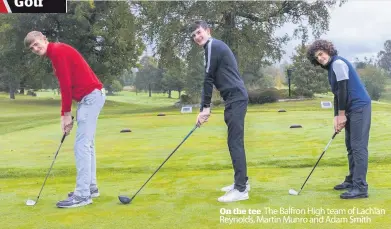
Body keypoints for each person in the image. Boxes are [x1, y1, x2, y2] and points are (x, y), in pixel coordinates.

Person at [24, 31, 106, 208]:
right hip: (90, 97)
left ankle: (83, 195)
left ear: (44, 39)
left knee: (81, 145)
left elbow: (65, 86)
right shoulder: (56, 52)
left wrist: (66, 114)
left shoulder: (58, 52)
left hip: (90, 97)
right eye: (32, 48)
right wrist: (66, 114)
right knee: (87, 144)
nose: (36, 49)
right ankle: (90, 188)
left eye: (37, 44)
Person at [189, 20, 250, 202]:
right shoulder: (212, 48)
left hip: (236, 98)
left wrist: (204, 108)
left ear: (208, 31)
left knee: (235, 143)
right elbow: (213, 77)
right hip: (233, 99)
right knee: (234, 142)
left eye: (199, 32)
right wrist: (205, 108)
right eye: (194, 35)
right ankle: (242, 182)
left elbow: (208, 79)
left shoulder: (212, 45)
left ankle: (241, 190)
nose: (197, 37)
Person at [307, 39, 371, 199]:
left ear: (327, 50)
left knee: (358, 147)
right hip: (351, 108)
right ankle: (351, 180)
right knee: (350, 146)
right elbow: (337, 95)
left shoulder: (338, 63)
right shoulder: (331, 68)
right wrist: (337, 117)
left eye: (321, 54)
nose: (320, 58)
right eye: (317, 57)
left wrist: (342, 114)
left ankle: (360, 187)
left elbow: (343, 89)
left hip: (359, 106)